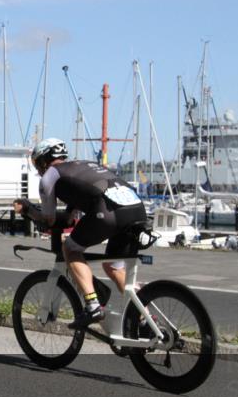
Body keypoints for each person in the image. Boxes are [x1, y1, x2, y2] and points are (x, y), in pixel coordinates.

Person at [13, 138, 147, 329]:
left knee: (70, 249)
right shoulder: (84, 166)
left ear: (43, 161)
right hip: (137, 210)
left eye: (37, 164)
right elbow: (70, 217)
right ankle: (147, 320)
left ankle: (93, 306)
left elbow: (49, 220)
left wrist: (27, 209)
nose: (38, 170)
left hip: (109, 213)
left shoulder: (50, 176)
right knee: (114, 267)